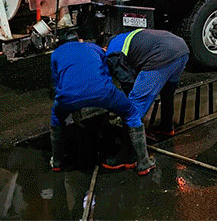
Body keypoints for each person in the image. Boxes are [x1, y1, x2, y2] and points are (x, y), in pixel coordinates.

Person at [49, 33, 155, 176]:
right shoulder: (93, 47)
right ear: (79, 40)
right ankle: (143, 163)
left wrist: (72, 104)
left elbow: (57, 82)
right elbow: (106, 71)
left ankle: (57, 163)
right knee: (131, 114)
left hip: (68, 97)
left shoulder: (56, 54)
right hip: (103, 92)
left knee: (56, 119)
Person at [104, 28, 189, 147]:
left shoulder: (112, 51)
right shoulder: (127, 37)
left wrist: (128, 104)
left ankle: (128, 154)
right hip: (182, 50)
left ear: (104, 47)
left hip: (161, 56)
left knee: (135, 105)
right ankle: (167, 128)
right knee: (167, 93)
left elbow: (128, 82)